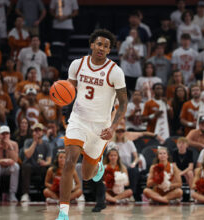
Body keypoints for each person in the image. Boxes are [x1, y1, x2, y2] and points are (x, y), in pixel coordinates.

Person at [57, 29, 127, 220]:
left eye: (106, 46)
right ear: (91, 45)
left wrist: (112, 127)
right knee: (70, 160)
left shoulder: (115, 71)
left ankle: (98, 167)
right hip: (78, 120)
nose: (101, 48)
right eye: (99, 44)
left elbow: (124, 102)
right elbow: (68, 90)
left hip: (100, 127)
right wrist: (60, 93)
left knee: (87, 175)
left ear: (109, 50)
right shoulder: (77, 65)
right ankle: (63, 212)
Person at [21, 123, 51, 202]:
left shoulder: (46, 144)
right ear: (32, 132)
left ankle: (47, 194)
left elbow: (49, 160)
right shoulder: (28, 141)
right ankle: (25, 194)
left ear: (43, 132)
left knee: (48, 168)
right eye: (35, 130)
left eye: (39, 130)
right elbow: (27, 155)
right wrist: (35, 142)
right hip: (30, 166)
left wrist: (45, 163)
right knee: (25, 166)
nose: (37, 132)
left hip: (40, 167)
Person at [0, 125, 19, 202]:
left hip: (9, 168)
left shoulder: (14, 144)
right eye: (3, 134)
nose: (5, 136)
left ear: (9, 135)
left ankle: (12, 194)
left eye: (7, 134)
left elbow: (15, 160)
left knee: (16, 167)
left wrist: (10, 146)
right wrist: (1, 161)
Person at [110, 123, 139, 197]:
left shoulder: (129, 142)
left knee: (134, 170)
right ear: (115, 133)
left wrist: (134, 163)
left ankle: (132, 193)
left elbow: (136, 157)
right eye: (118, 131)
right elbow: (109, 156)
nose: (120, 133)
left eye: (122, 131)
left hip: (127, 166)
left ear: (124, 132)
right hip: (116, 165)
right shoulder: (112, 143)